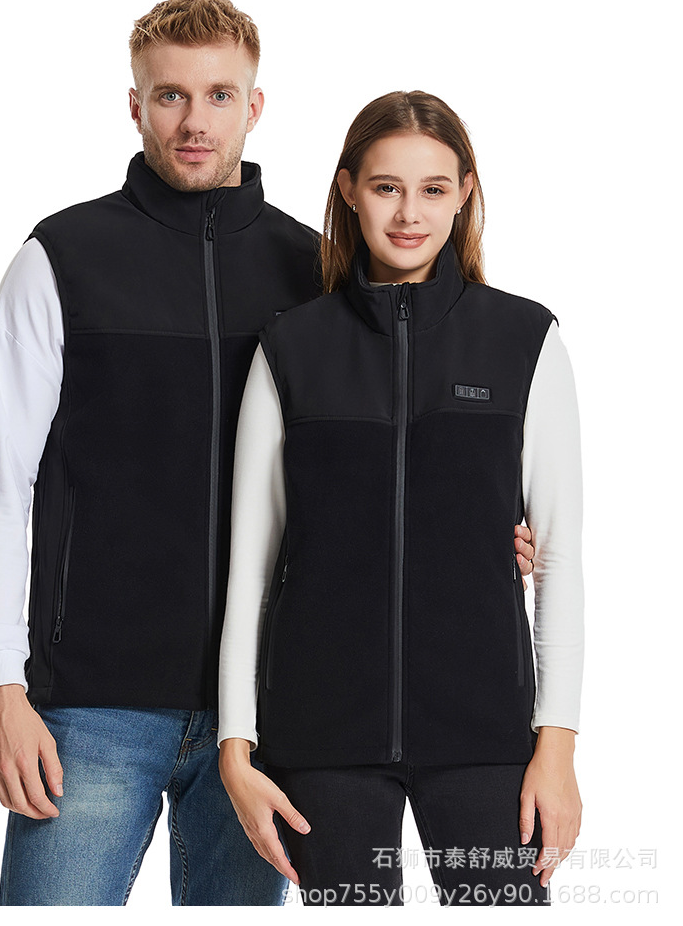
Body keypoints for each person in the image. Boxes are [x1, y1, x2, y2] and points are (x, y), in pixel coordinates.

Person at [0, 2, 536, 907]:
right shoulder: (61, 259)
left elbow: (394, 456)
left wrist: (486, 529)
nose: (195, 120)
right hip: (93, 709)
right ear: (135, 105)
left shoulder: (318, 274)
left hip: (271, 713)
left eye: (219, 95)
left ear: (254, 106)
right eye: (170, 96)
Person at [217, 90, 583, 908]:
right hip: (323, 738)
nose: (409, 213)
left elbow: (559, 560)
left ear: (464, 192)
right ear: (349, 190)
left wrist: (556, 745)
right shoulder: (292, 347)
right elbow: (252, 568)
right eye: (386, 187)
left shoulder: (524, 340)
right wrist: (237, 745)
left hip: (487, 736)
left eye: (432, 188)